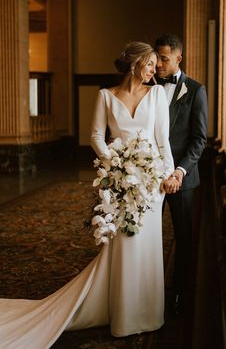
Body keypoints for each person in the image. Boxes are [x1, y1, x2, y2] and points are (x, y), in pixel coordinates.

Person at [0, 41, 177, 349]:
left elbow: (163, 141)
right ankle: (122, 314)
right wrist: (115, 166)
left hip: (150, 186)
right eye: (149, 64)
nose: (154, 70)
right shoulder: (106, 97)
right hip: (120, 182)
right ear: (135, 64)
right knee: (124, 247)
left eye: (154, 65)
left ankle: (147, 314)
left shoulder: (158, 95)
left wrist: (166, 176)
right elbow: (95, 135)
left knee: (147, 247)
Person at [153, 33, 208, 315]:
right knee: (146, 237)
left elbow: (199, 139)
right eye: (157, 57)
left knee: (184, 238)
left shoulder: (196, 90)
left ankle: (180, 295)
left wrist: (179, 171)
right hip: (150, 179)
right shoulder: (147, 87)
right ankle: (147, 293)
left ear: (178, 58)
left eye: (164, 58)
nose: (159, 64)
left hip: (182, 180)